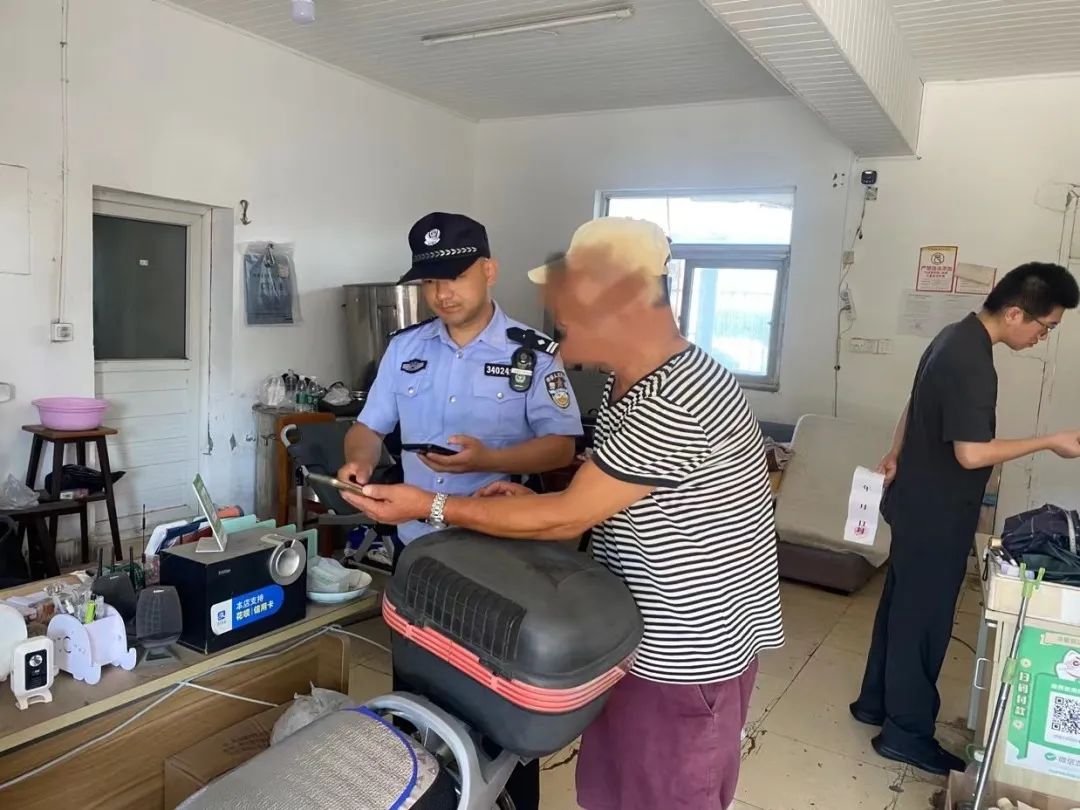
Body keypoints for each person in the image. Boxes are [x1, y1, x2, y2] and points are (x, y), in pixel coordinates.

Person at [345, 217, 785, 810]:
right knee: (609, 792)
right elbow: (608, 490)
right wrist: (535, 501)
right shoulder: (626, 383)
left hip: (685, 652)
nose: (558, 315)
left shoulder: (677, 394)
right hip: (624, 634)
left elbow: (570, 516)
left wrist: (433, 505)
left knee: (665, 796)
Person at [339, 211, 583, 810]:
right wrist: (358, 463)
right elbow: (369, 427)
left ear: (489, 271)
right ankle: (424, 795)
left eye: (455, 276)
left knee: (499, 694)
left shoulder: (533, 354)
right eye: (429, 281)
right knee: (419, 688)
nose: (442, 293)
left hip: (498, 555)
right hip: (419, 548)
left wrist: (492, 457)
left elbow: (560, 446)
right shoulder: (405, 348)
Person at [850, 261, 1080, 775]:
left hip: (914, 503)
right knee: (925, 623)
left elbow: (914, 404)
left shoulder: (952, 336)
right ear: (1016, 313)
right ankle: (906, 734)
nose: (1042, 338)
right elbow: (971, 454)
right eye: (1045, 327)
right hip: (936, 517)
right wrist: (1049, 441)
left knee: (900, 610)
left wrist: (895, 452)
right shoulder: (972, 359)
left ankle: (874, 704)